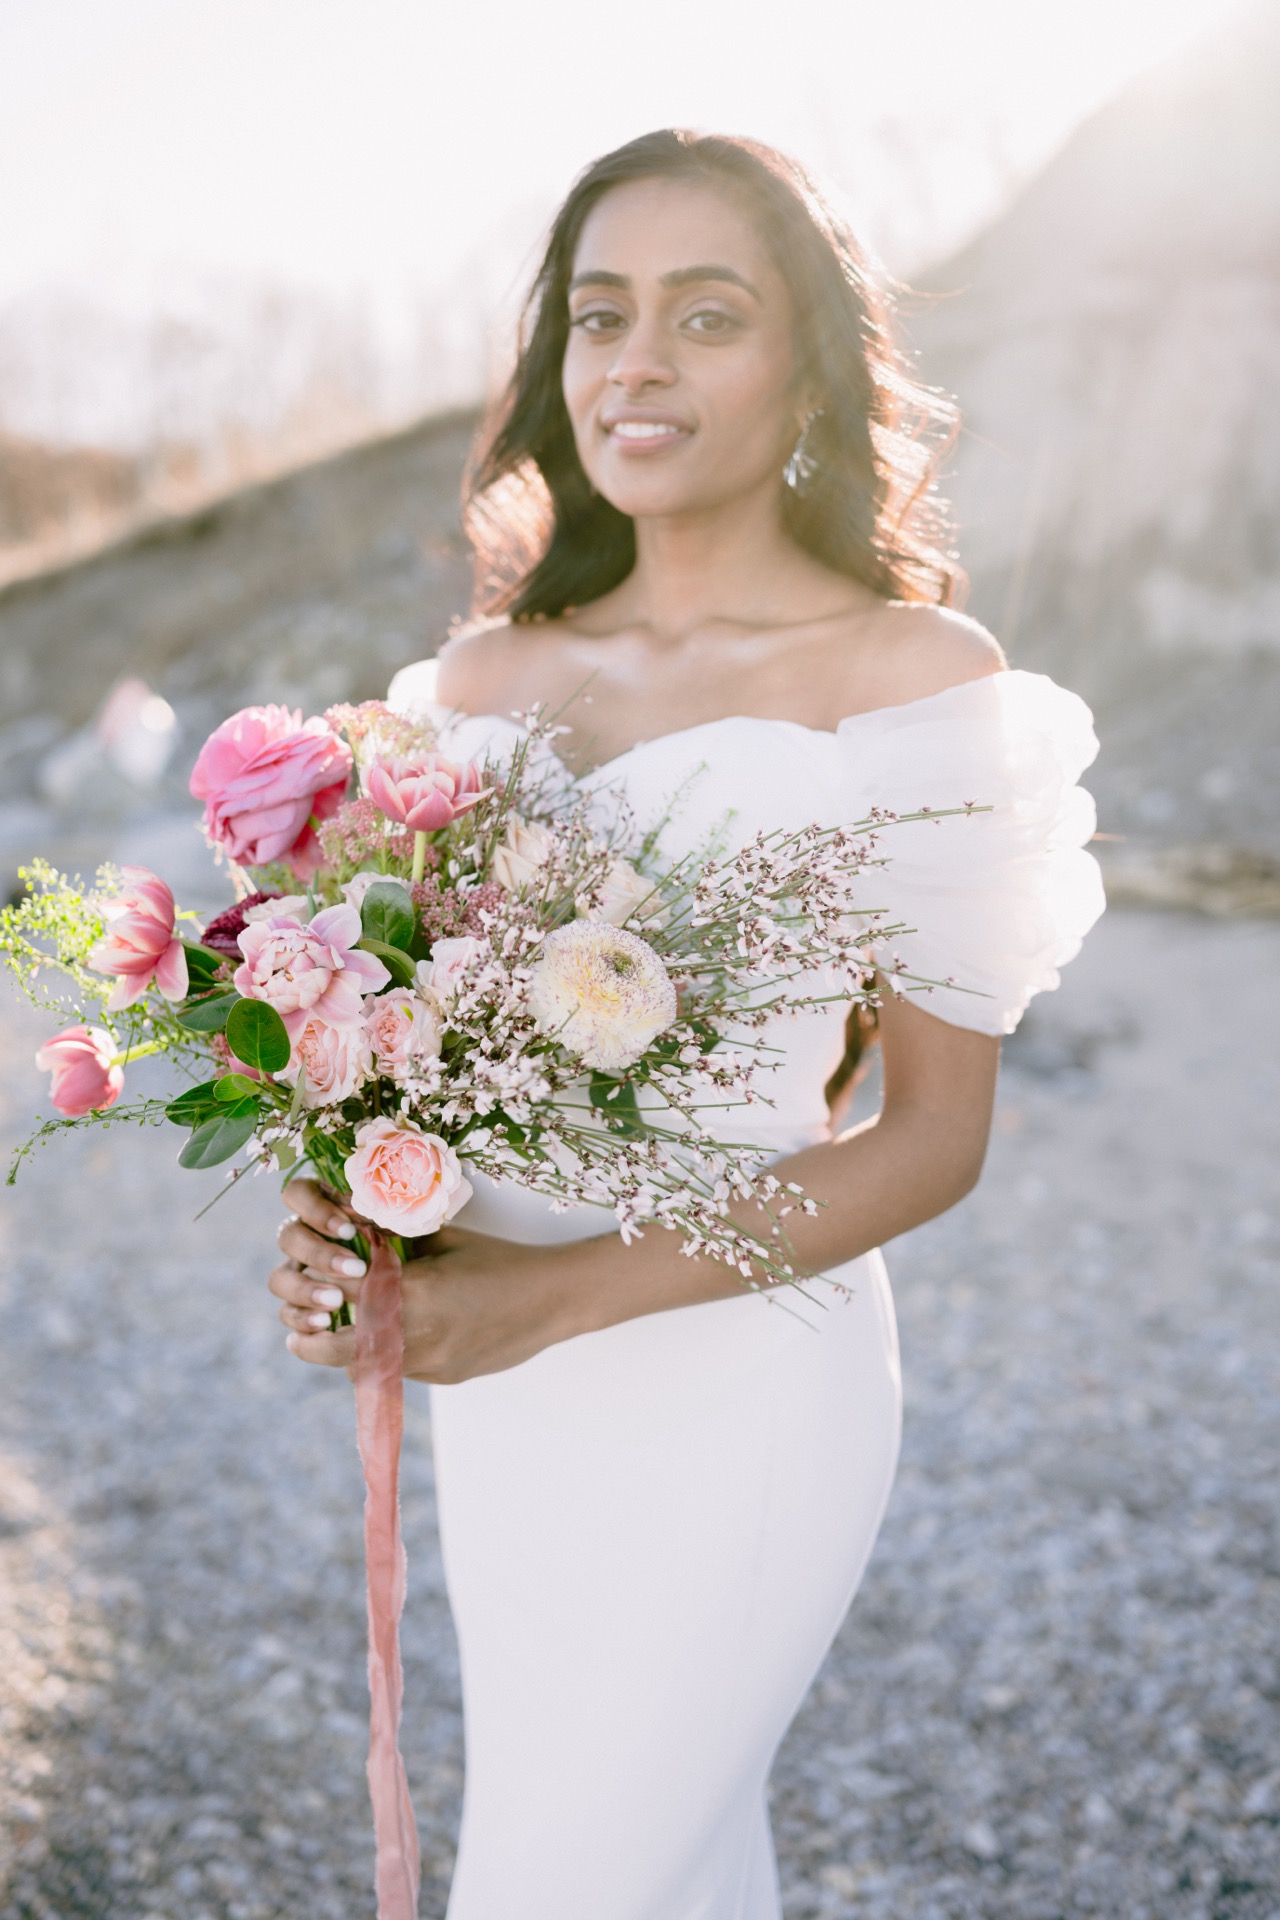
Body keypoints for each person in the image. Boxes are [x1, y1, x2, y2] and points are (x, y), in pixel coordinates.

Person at [267, 130, 1104, 1919]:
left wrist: (552, 1298)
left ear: (806, 362)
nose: (633, 363)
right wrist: (349, 1223)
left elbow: (931, 1141)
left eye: (703, 315)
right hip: (504, 1401)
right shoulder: (474, 687)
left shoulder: (917, 687)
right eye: (598, 314)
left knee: (575, 1880)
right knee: (641, 1862)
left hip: (744, 1384)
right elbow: (398, 1043)